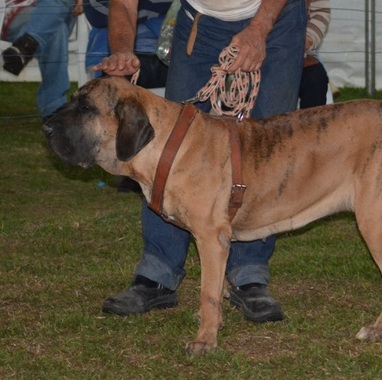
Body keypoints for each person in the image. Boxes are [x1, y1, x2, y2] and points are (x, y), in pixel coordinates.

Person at [94, 0, 307, 323]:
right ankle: (157, 274)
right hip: (201, 23)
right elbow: (124, 3)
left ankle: (249, 275)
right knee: (169, 146)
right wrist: (122, 49)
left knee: (266, 148)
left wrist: (259, 30)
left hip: (274, 20)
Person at [83, 0, 170, 193]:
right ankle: (128, 164)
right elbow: (96, 12)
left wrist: (143, 11)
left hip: (171, 52)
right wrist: (153, 12)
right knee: (115, 84)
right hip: (124, 52)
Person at [1, 0, 83, 120]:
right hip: (21, 12)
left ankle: (25, 45)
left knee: (54, 17)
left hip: (61, 12)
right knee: (57, 32)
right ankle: (54, 108)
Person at [299, 0, 330, 109]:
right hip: (263, 56)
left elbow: (321, 12)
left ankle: (311, 125)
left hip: (299, 52)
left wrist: (308, 40)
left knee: (315, 78)